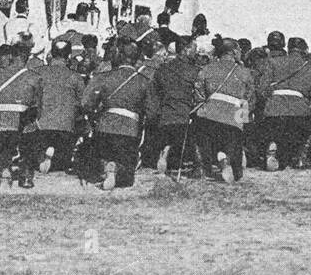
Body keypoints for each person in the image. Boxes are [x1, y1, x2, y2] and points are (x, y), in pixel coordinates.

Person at [81, 41, 159, 190]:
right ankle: (115, 168)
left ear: (119, 55)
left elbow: (86, 104)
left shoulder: (103, 77)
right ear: (137, 59)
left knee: (102, 154)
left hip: (104, 128)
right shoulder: (144, 81)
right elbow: (153, 113)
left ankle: (106, 166)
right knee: (127, 179)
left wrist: (94, 119)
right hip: (130, 131)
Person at [192, 36, 255, 183]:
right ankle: (227, 160)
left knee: (205, 139)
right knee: (237, 173)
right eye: (239, 50)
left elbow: (199, 96)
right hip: (233, 118)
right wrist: (241, 123)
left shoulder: (206, 69)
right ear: (233, 52)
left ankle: (212, 163)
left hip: (208, 117)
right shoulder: (245, 73)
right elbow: (248, 100)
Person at [254, 35, 311, 171]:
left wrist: (269, 100)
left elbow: (261, 89)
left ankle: (273, 149)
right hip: (298, 110)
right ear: (304, 50)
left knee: (274, 132)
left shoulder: (273, 62)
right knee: (298, 135)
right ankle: (299, 157)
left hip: (274, 107)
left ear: (288, 49)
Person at [0, 44, 44, 189]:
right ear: (27, 57)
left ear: (11, 56)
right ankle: (26, 176)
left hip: (0, 119)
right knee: (32, 134)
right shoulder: (34, 77)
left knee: (1, 144)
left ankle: (4, 173)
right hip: (24, 121)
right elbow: (38, 108)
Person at [26, 39, 85, 174]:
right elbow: (83, 102)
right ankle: (54, 153)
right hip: (66, 128)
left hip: (41, 127)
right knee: (61, 162)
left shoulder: (37, 72)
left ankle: (44, 150)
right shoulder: (75, 77)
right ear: (69, 56)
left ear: (51, 54)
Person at [147, 35, 201, 174]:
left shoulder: (162, 69)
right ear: (186, 49)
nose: (197, 51)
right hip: (186, 118)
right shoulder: (195, 71)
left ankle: (165, 150)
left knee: (169, 138)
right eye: (194, 48)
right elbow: (199, 97)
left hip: (165, 117)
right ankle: (197, 163)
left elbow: (154, 94)